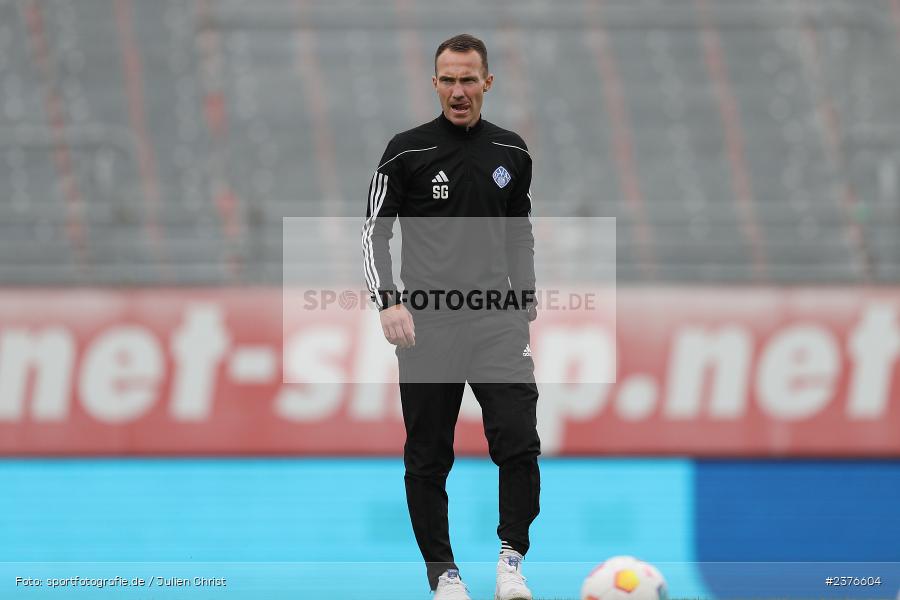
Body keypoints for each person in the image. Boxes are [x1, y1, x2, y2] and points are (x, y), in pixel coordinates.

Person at [362, 34, 540, 600]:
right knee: (428, 454)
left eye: (468, 79)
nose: (458, 91)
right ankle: (444, 574)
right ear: (434, 83)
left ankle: (511, 561)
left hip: (495, 323)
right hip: (428, 326)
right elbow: (373, 232)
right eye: (448, 79)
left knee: (518, 440)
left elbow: (520, 233)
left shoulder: (512, 153)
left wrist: (525, 302)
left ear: (488, 82)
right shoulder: (405, 152)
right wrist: (388, 302)